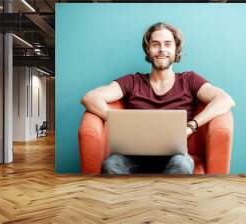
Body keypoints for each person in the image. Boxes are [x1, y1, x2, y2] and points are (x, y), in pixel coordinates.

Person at [81, 22, 235, 174]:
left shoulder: (189, 80)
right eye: (155, 44)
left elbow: (225, 100)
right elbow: (90, 98)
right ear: (148, 50)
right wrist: (118, 120)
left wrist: (192, 125)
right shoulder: (132, 81)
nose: (162, 49)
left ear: (176, 49)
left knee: (181, 164)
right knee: (111, 164)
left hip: (175, 157)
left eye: (168, 44)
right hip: (134, 157)